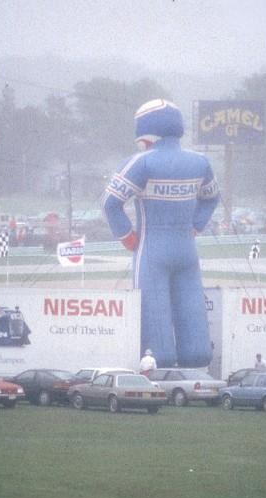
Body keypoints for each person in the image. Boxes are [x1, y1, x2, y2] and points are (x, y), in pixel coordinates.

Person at [101, 99, 219, 368]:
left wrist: (127, 237)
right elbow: (212, 199)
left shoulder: (140, 163)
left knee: (157, 337)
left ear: (144, 134)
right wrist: (196, 225)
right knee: (194, 326)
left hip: (151, 248)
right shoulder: (200, 162)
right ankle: (196, 363)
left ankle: (160, 365)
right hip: (186, 249)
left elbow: (110, 204)